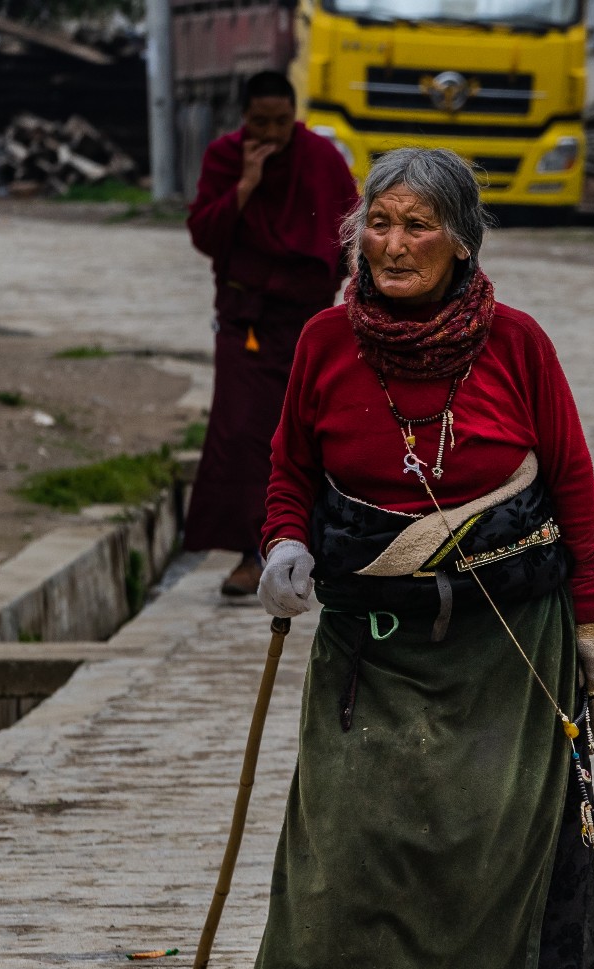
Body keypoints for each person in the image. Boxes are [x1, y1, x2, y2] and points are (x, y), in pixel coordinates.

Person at [248, 147, 594, 969]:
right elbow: (292, 465)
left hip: (507, 639)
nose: (394, 243)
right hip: (369, 637)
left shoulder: (520, 346)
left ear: (461, 240)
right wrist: (285, 542)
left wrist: (593, 620)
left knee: (484, 835)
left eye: (418, 225)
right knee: (357, 827)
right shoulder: (327, 343)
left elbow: (572, 484)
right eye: (379, 222)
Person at [186, 70, 358, 597]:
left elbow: (349, 233)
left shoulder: (321, 158)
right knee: (241, 433)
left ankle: (326, 546)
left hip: (306, 322)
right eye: (260, 121)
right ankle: (248, 552)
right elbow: (206, 236)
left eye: (282, 121)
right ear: (244, 119)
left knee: (318, 433)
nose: (272, 132)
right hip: (247, 320)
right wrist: (245, 185)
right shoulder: (225, 157)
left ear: (294, 114)